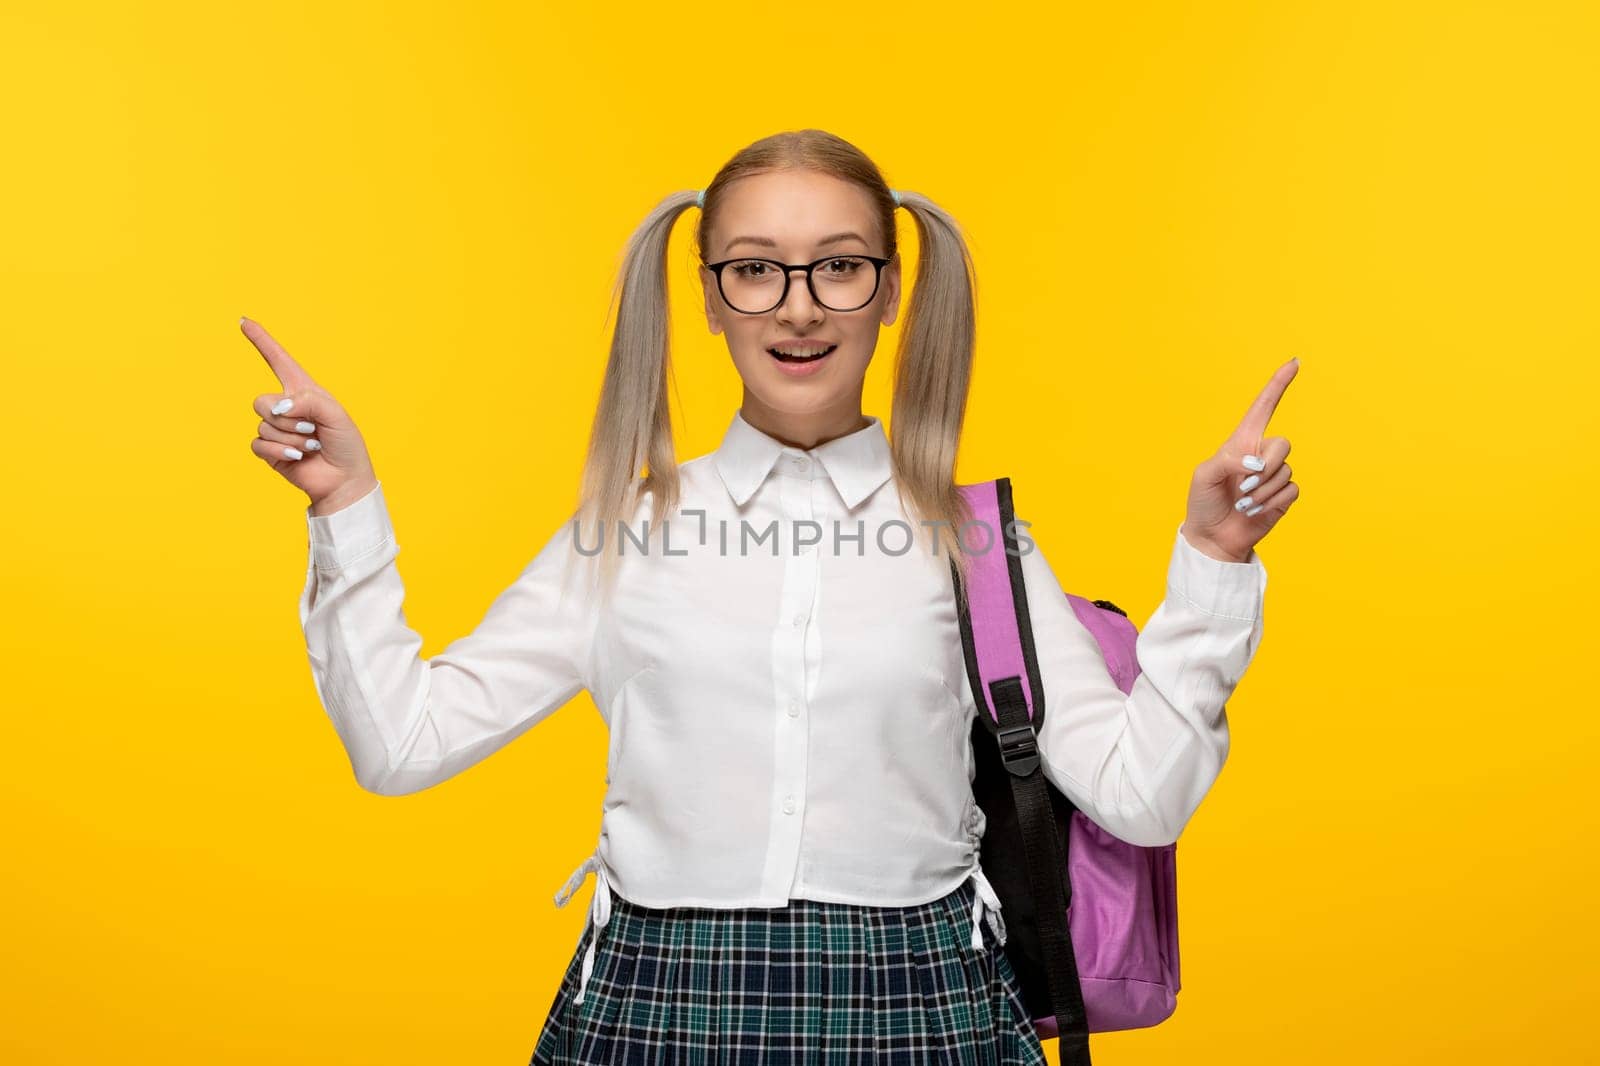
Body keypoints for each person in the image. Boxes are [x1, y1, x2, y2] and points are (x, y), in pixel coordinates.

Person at [245, 128, 1297, 1065]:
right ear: (705, 295)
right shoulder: (625, 530)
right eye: (754, 270)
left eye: (839, 267)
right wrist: (346, 507)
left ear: (890, 291)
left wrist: (1214, 558)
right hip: (661, 1002)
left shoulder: (975, 541)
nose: (798, 307)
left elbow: (1141, 796)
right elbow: (401, 744)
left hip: (919, 1000)